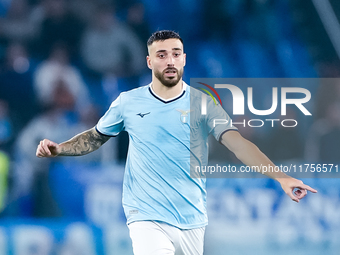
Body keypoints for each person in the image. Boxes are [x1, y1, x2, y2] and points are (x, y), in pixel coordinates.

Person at [36, 30, 317, 255]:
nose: (170, 60)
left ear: (184, 59)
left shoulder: (203, 104)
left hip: (192, 216)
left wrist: (281, 177)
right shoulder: (128, 102)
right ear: (149, 62)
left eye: (176, 54)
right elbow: (95, 137)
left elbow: (239, 144)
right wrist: (60, 148)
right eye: (161, 55)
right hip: (145, 214)